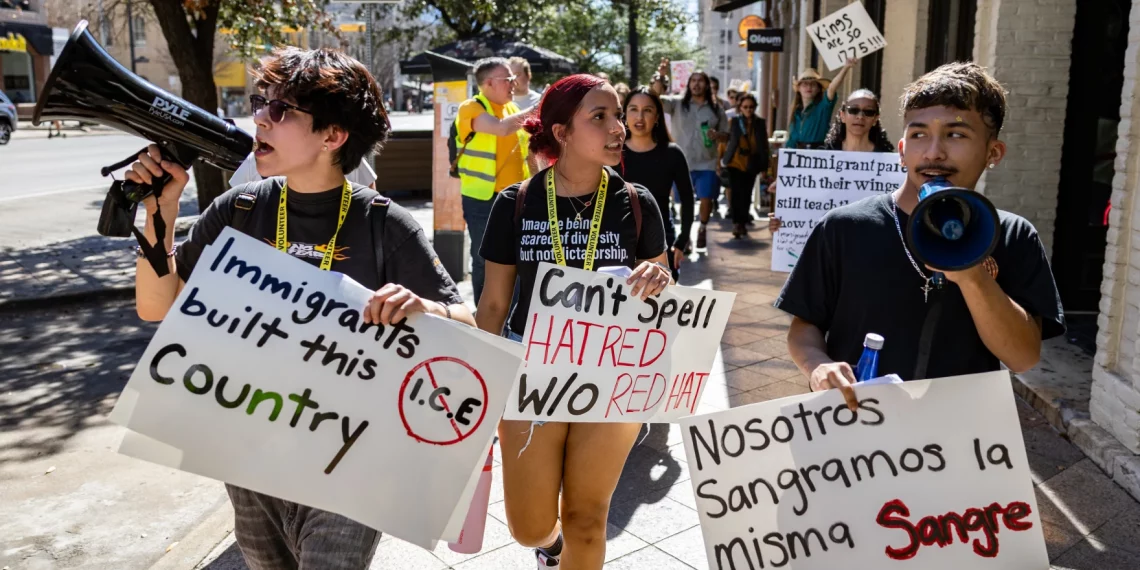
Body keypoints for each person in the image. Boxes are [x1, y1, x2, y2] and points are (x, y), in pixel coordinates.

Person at [125, 47, 473, 569]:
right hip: (247, 453)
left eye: (280, 110)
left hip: (352, 461)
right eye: (260, 102)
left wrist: (425, 307)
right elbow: (157, 309)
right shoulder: (237, 210)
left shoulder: (385, 223)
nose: (259, 117)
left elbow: (469, 325)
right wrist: (161, 213)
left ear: (334, 136)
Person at [774, 61, 1066, 411]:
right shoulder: (844, 227)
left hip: (957, 435)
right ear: (901, 151)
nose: (933, 152)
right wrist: (817, 366)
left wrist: (972, 276)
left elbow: (1023, 357)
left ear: (993, 153)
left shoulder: (1015, 236)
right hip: (857, 431)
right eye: (918, 134)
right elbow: (804, 326)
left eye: (956, 135)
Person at [476, 74, 672, 570]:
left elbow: (665, 286)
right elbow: (494, 306)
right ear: (562, 133)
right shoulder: (515, 204)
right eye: (599, 117)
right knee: (527, 526)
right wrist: (477, 385)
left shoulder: (637, 202)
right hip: (531, 369)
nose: (619, 128)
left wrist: (659, 274)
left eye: (619, 115)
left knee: (588, 517)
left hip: (613, 369)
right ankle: (551, 546)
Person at [455, 56, 532, 305]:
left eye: (514, 78)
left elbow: (526, 152)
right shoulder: (471, 107)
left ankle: (512, 314)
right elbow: (500, 128)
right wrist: (536, 108)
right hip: (482, 200)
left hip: (516, 197)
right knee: (484, 258)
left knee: (518, 256)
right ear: (488, 84)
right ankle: (485, 316)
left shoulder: (511, 109)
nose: (514, 83)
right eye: (507, 79)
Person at [769, 87, 894, 232]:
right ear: (842, 115)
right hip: (830, 242)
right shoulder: (821, 160)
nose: (860, 116)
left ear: (875, 119)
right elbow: (804, 206)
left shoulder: (889, 163)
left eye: (868, 112)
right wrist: (783, 218)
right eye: (853, 110)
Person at [651, 59, 729, 250]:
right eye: (693, 80)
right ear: (688, 84)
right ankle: (685, 237)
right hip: (681, 163)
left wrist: (717, 135)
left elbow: (727, 135)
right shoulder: (677, 104)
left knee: (706, 198)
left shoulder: (717, 109)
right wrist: (661, 76)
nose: (696, 84)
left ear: (707, 85)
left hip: (707, 162)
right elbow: (653, 97)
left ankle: (702, 228)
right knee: (681, 202)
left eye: (700, 80)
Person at [622, 85, 695, 280]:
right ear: (624, 113)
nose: (640, 117)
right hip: (619, 241)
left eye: (647, 110)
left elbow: (688, 199)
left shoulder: (672, 153)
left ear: (657, 117)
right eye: (633, 109)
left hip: (662, 239)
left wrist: (682, 242)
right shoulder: (612, 152)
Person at [720, 93, 769, 239]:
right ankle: (737, 223)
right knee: (736, 194)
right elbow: (728, 142)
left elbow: (764, 145)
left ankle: (742, 221)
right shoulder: (734, 122)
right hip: (735, 162)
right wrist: (722, 161)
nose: (748, 110)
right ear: (740, 108)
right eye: (745, 107)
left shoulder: (759, 122)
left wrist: (765, 167)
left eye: (751, 107)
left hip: (752, 164)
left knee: (747, 194)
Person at [784, 59, 856, 150]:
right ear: (798, 88)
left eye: (813, 84)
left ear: (819, 89)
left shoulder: (823, 107)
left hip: (817, 156)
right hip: (797, 157)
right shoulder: (796, 112)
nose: (809, 87)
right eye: (805, 84)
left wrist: (846, 67)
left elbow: (832, 88)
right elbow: (791, 141)